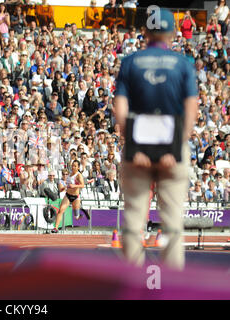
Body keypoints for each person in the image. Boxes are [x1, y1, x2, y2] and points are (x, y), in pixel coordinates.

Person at [114, 9, 199, 271]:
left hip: (137, 151)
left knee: (133, 223)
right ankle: (171, 289)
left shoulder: (130, 62)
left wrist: (134, 147)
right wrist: (174, 149)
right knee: (173, 224)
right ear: (172, 33)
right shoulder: (183, 64)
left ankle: (131, 286)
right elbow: (191, 111)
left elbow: (120, 109)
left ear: (145, 33)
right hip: (171, 151)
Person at [51, 160, 89, 234]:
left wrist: (74, 186)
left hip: (76, 197)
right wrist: (63, 188)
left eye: (75, 166)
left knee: (76, 217)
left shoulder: (79, 175)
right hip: (68, 195)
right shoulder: (69, 175)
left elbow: (82, 185)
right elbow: (66, 186)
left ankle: (80, 214)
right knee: (60, 210)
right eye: (72, 165)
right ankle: (55, 228)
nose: (73, 167)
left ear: (78, 167)